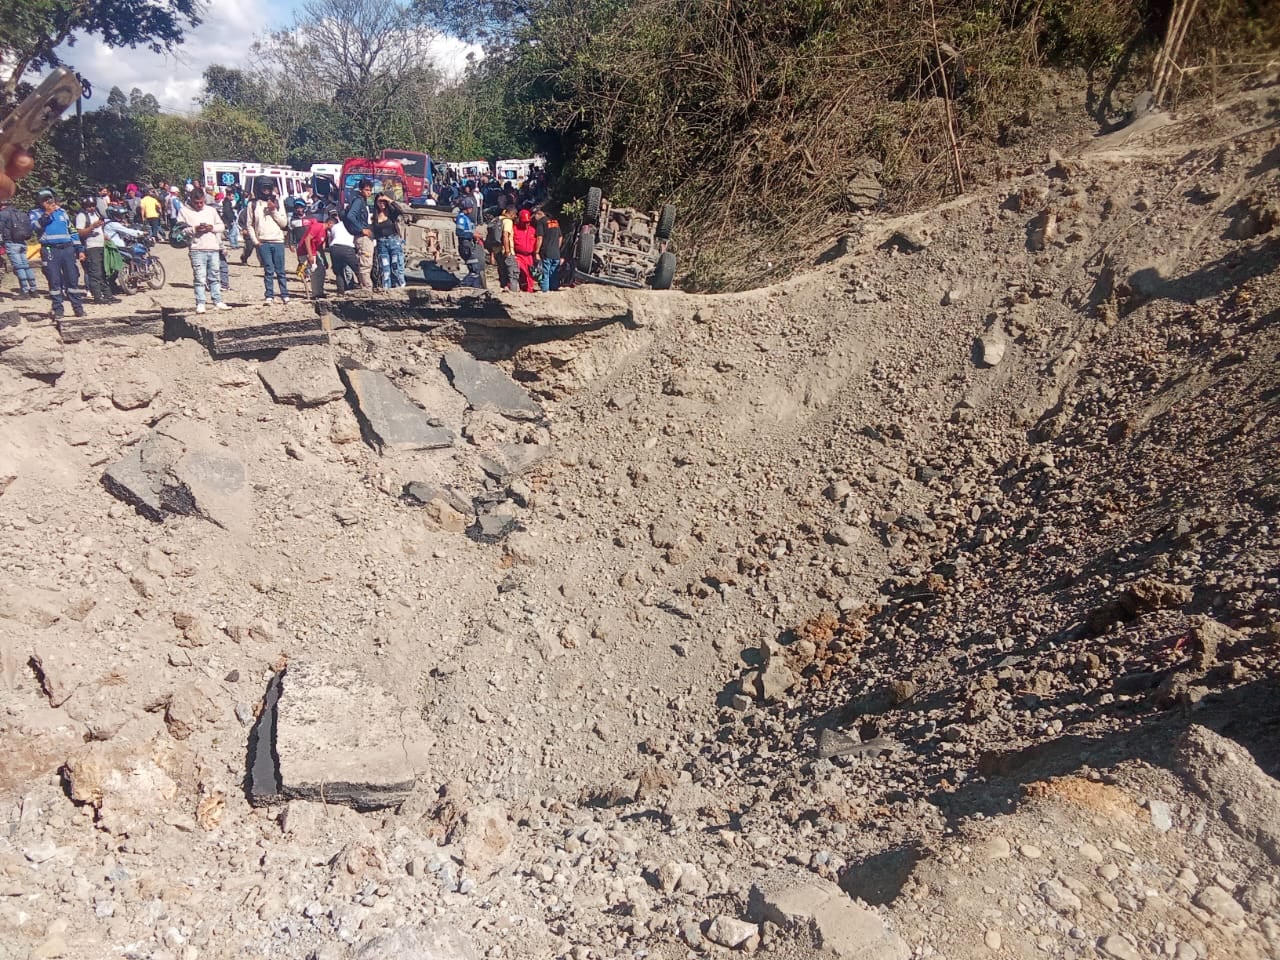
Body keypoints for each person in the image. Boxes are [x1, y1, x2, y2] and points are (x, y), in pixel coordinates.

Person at [177, 189, 231, 314]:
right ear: (191, 200)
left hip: (212, 247)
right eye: (197, 203)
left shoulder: (211, 210)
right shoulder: (184, 211)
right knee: (200, 278)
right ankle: (200, 303)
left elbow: (221, 226)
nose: (199, 205)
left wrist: (212, 228)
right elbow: (180, 230)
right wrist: (195, 229)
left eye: (201, 202)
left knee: (215, 276)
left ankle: (217, 301)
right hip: (197, 248)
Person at [35, 190, 85, 319]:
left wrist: (79, 249)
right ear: (40, 202)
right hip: (50, 250)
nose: (49, 202)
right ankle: (58, 310)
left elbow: (72, 230)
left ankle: (78, 308)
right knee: (54, 281)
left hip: (67, 249)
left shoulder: (62, 213)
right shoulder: (36, 213)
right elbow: (36, 227)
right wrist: (47, 214)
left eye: (50, 199)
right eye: (45, 200)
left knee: (72, 279)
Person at [247, 188, 289, 305]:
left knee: (280, 270)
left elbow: (284, 223)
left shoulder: (278, 202)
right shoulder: (253, 204)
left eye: (268, 188)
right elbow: (249, 224)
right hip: (263, 241)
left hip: (278, 241)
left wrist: (273, 210)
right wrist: (255, 241)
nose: (266, 191)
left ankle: (284, 295)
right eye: (263, 188)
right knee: (268, 270)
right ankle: (269, 295)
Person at [74, 193, 117, 304]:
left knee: (103, 272)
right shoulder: (82, 216)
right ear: (84, 206)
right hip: (91, 247)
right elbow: (79, 233)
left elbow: (100, 228)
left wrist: (105, 236)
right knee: (95, 273)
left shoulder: (96, 214)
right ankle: (97, 296)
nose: (92, 208)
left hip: (101, 246)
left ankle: (108, 295)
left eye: (93, 205)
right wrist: (92, 226)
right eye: (89, 206)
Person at [0, 198, 39, 298]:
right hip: (22, 242)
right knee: (26, 266)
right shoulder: (20, 213)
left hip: (11, 243)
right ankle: (34, 290)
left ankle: (24, 291)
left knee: (19, 267)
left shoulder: (3, 214)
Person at [342, 180, 374, 290]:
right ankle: (367, 287)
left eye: (370, 190)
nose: (369, 192)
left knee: (364, 262)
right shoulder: (359, 201)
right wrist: (361, 229)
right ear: (360, 190)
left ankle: (364, 286)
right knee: (365, 263)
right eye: (366, 190)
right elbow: (350, 216)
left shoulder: (362, 201)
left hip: (362, 236)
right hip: (362, 237)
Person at [371, 194, 403, 289]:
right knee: (385, 269)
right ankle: (386, 289)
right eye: (379, 201)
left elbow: (400, 210)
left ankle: (399, 287)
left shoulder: (391, 213)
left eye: (383, 201)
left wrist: (388, 199)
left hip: (393, 241)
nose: (382, 203)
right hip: (381, 243)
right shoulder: (375, 217)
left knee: (395, 266)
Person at [326, 209, 359, 294]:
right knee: (357, 269)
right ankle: (363, 287)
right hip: (347, 248)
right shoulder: (353, 224)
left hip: (335, 248)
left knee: (338, 272)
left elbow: (331, 239)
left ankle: (341, 290)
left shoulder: (335, 226)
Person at [297, 211, 328, 299]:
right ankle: (315, 293)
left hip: (314, 251)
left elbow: (320, 247)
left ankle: (319, 291)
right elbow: (307, 239)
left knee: (321, 270)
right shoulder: (317, 226)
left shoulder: (324, 232)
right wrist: (310, 255)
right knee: (313, 271)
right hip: (305, 252)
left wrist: (324, 259)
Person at [536, 209, 564, 292]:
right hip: (556, 253)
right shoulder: (554, 222)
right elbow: (560, 237)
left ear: (538, 214)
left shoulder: (541, 222)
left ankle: (545, 290)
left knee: (545, 273)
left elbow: (539, 237)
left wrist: (536, 251)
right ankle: (554, 288)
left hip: (546, 252)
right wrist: (557, 247)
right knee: (554, 273)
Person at [512, 208, 538, 292]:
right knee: (521, 273)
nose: (527, 224)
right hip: (519, 255)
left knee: (530, 275)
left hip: (529, 256)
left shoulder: (533, 230)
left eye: (528, 222)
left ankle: (529, 290)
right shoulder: (514, 229)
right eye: (525, 222)